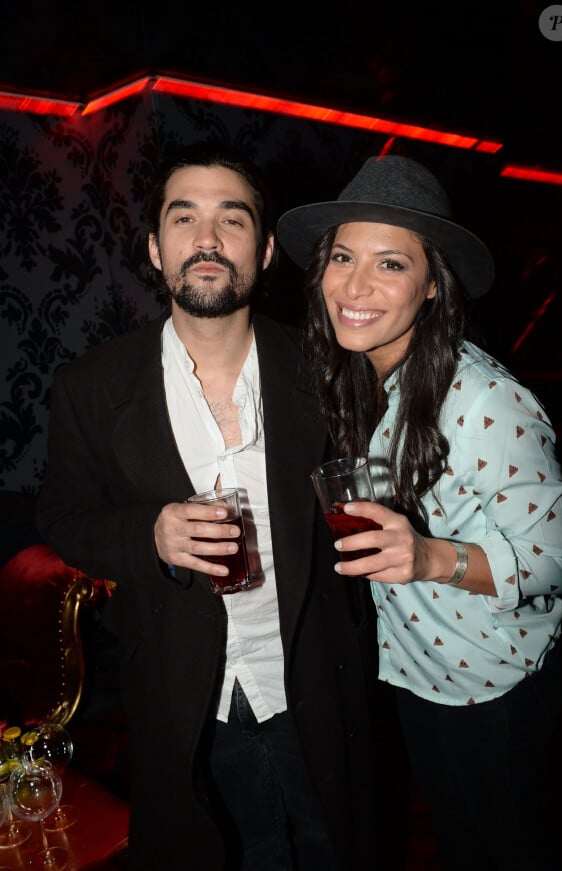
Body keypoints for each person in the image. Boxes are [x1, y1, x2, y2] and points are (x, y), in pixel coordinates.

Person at [35, 142, 380, 871]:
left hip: (316, 689)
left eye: (233, 219)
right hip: (182, 701)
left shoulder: (328, 370)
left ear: (265, 251)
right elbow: (61, 520)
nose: (208, 240)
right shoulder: (92, 387)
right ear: (157, 249)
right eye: (184, 217)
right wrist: (148, 534)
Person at [276, 153, 562, 870]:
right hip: (415, 671)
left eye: (391, 264)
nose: (355, 284)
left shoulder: (483, 401)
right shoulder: (357, 378)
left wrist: (430, 555)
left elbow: (560, 564)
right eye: (344, 256)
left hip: (495, 681)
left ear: (434, 284)